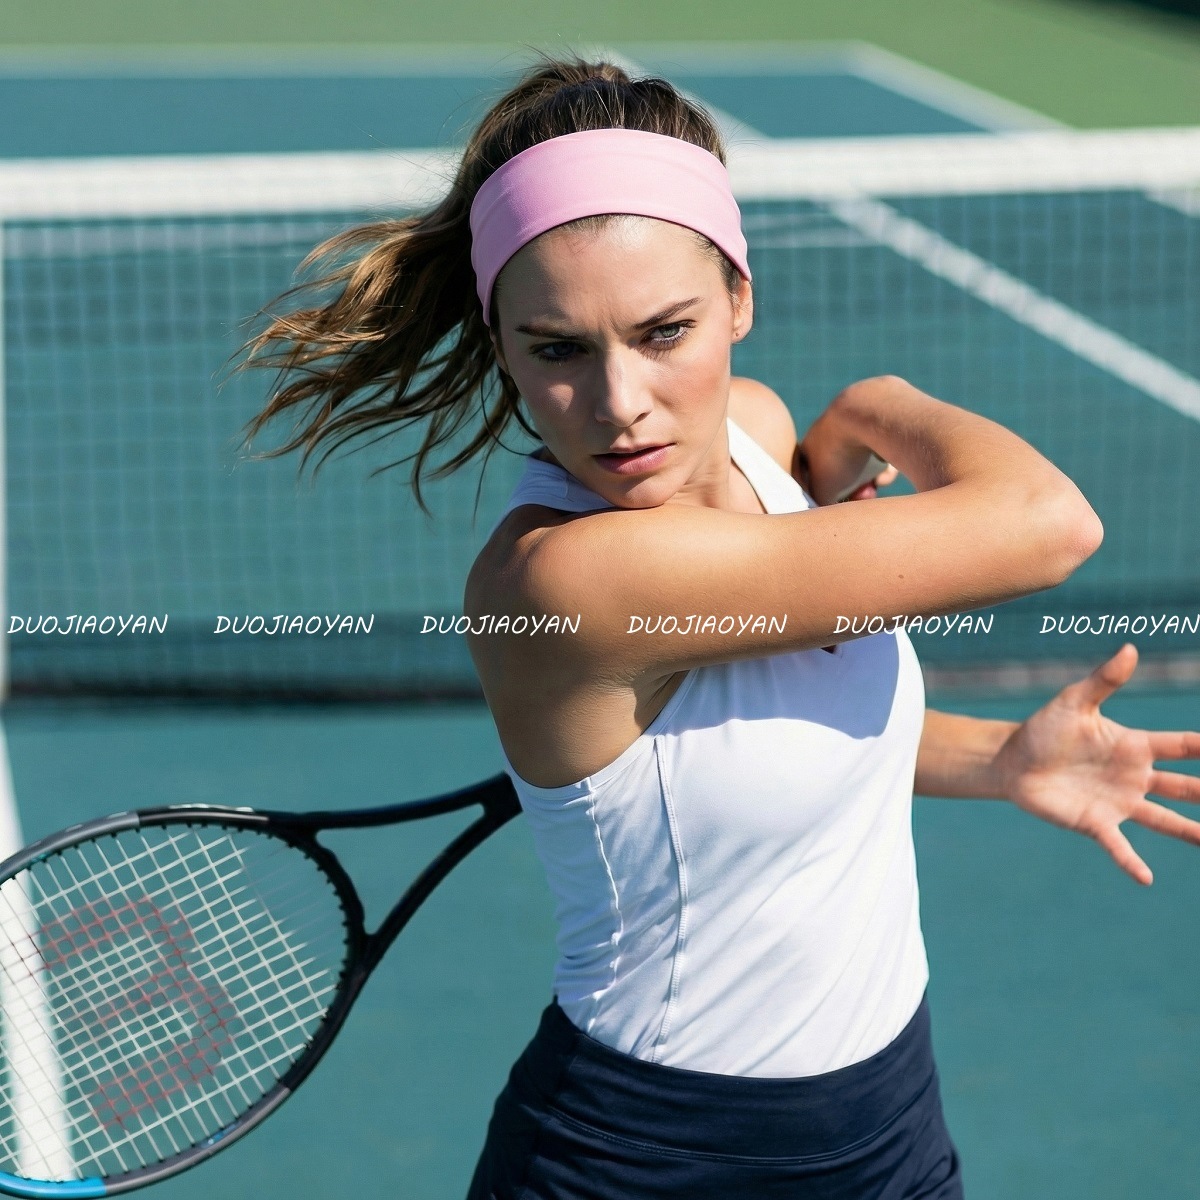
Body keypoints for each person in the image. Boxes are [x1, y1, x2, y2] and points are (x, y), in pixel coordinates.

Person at [240, 55, 1200, 1200]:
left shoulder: (758, 436)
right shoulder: (573, 582)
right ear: (500, 344)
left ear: (739, 297)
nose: (620, 404)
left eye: (664, 332)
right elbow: (1049, 524)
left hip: (891, 1124)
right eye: (557, 349)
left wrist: (1000, 757)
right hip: (651, 1157)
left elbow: (757, 731)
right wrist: (879, 402)